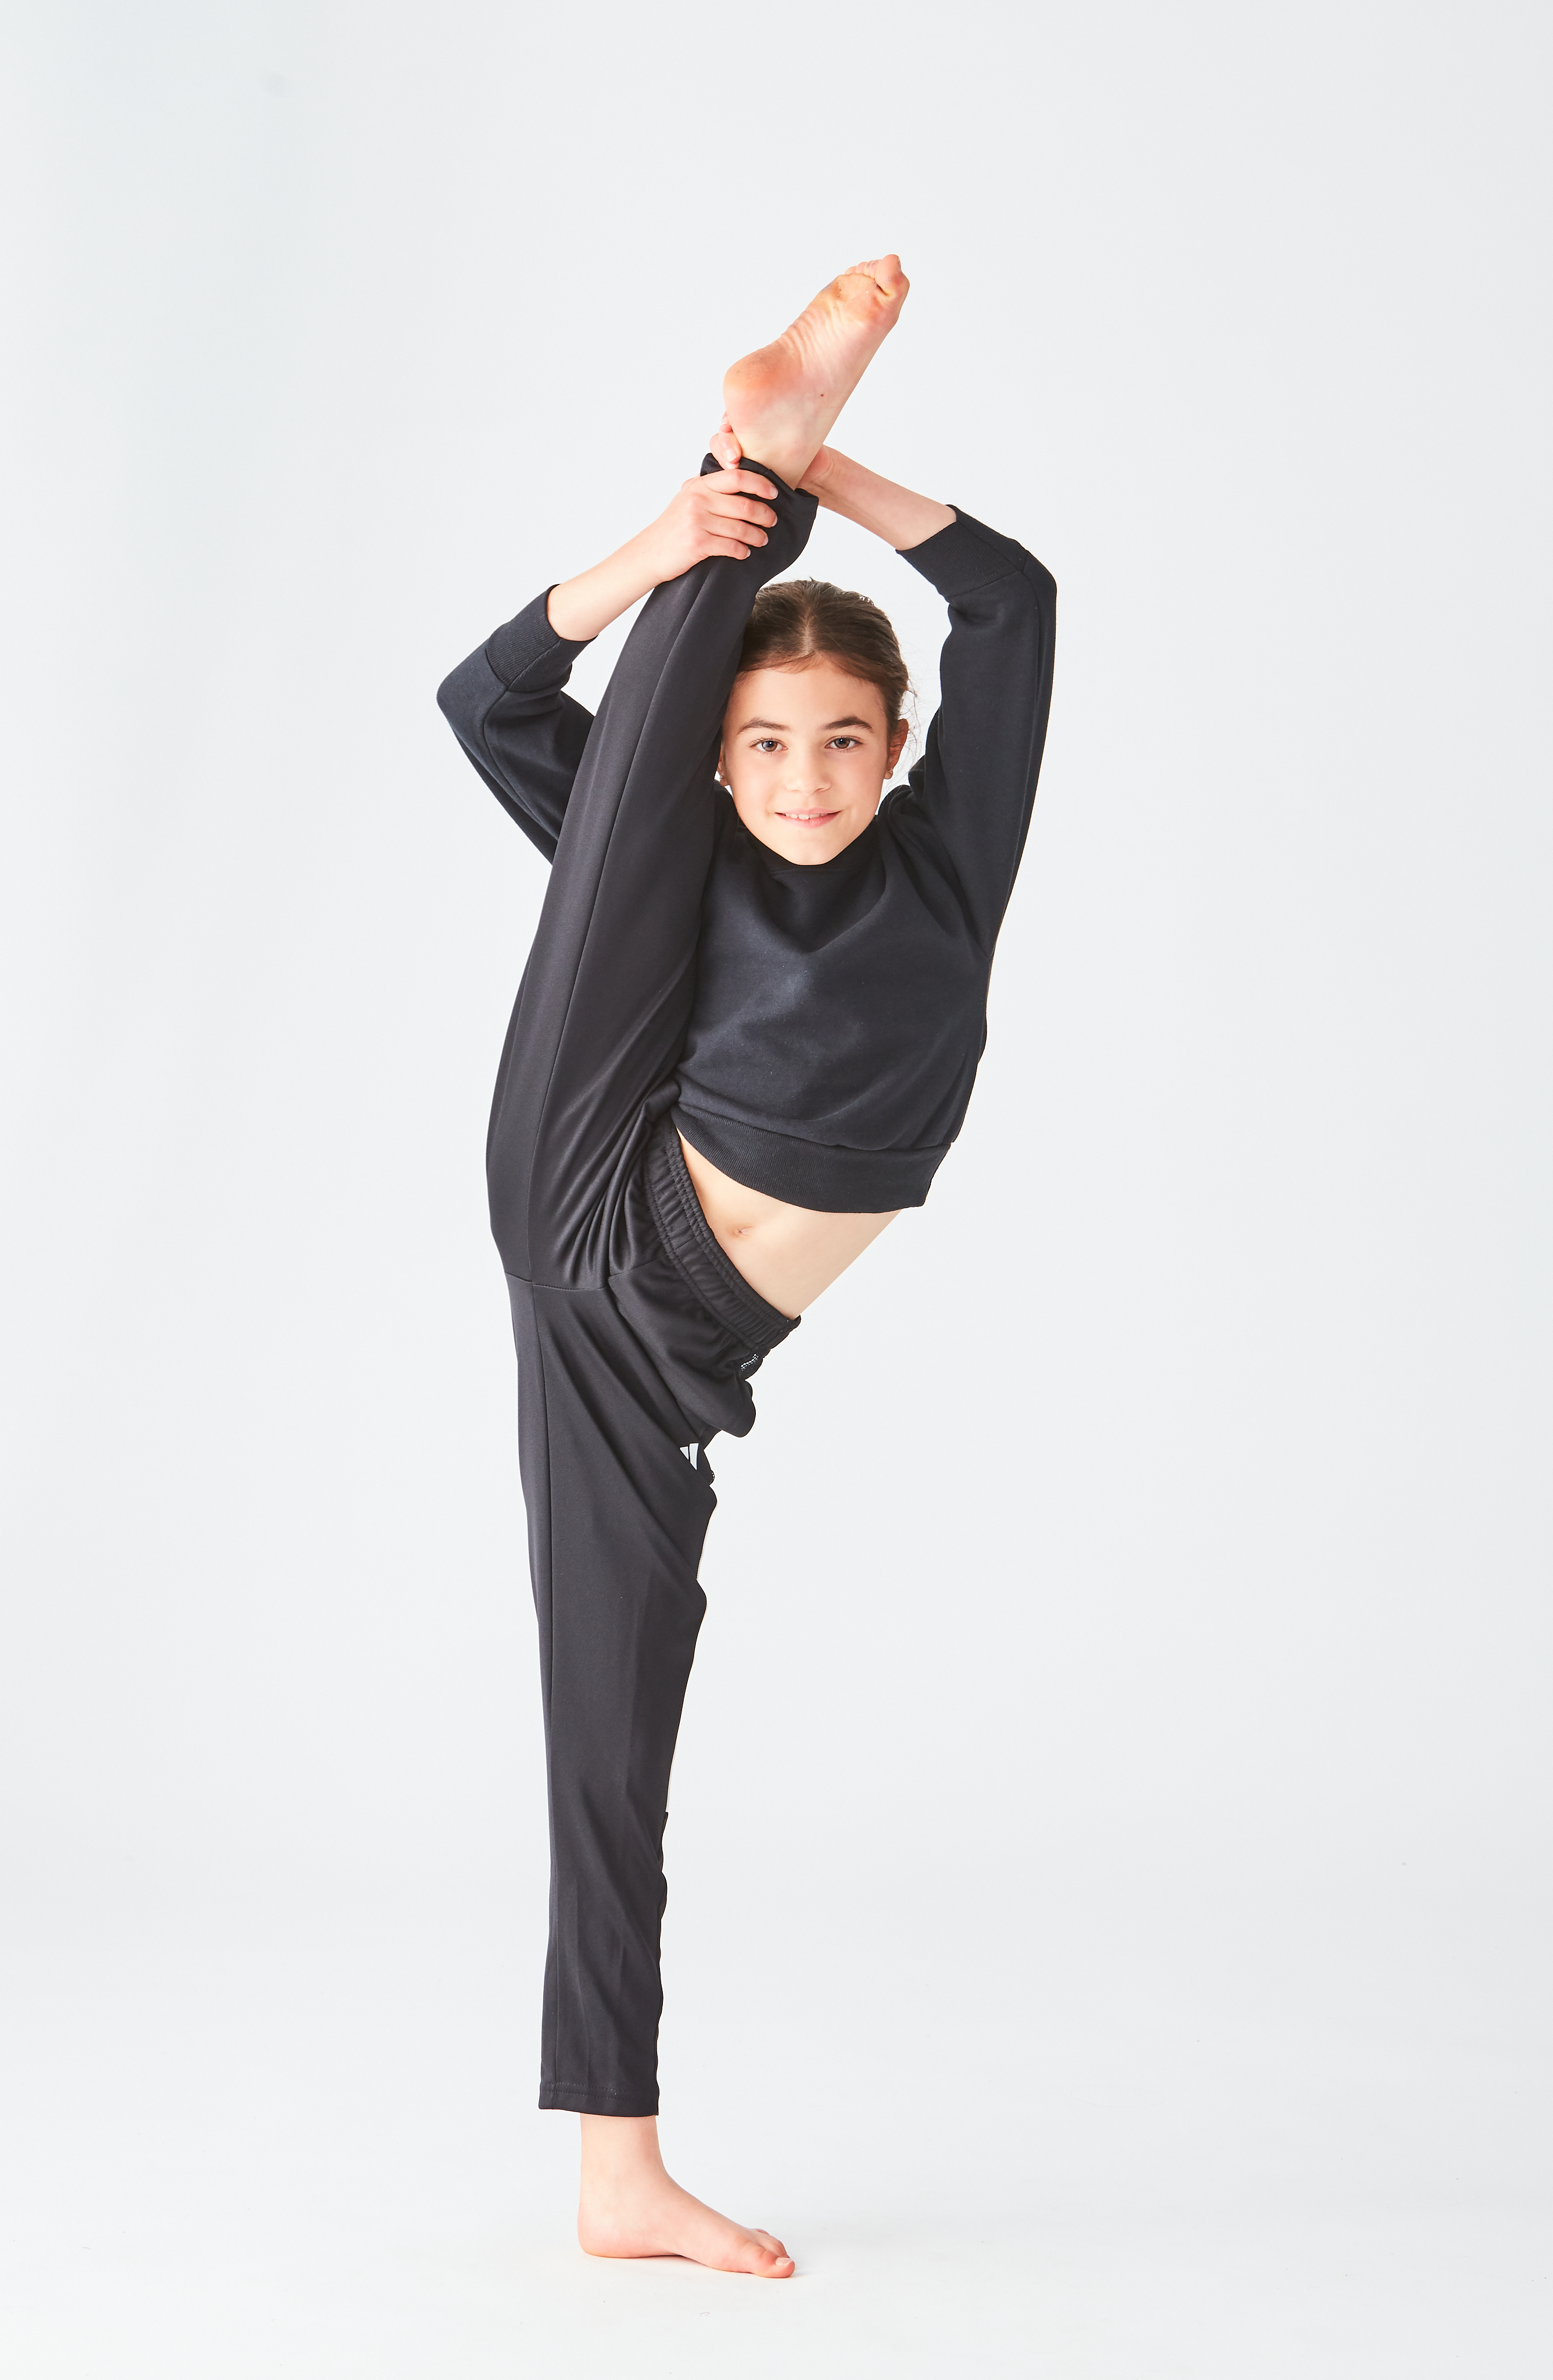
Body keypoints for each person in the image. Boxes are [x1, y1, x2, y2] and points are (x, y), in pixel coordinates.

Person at [436, 258, 1055, 2278]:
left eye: (840, 742)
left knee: (613, 1749)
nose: (801, 778)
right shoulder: (686, 838)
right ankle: (739, 471)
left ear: (896, 748)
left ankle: (616, 2176)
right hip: (591, 1188)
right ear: (727, 752)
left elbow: (1013, 605)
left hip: (665, 1366)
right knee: (629, 843)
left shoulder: (946, 863)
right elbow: (487, 703)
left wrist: (837, 475)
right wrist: (682, 536)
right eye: (766, 742)